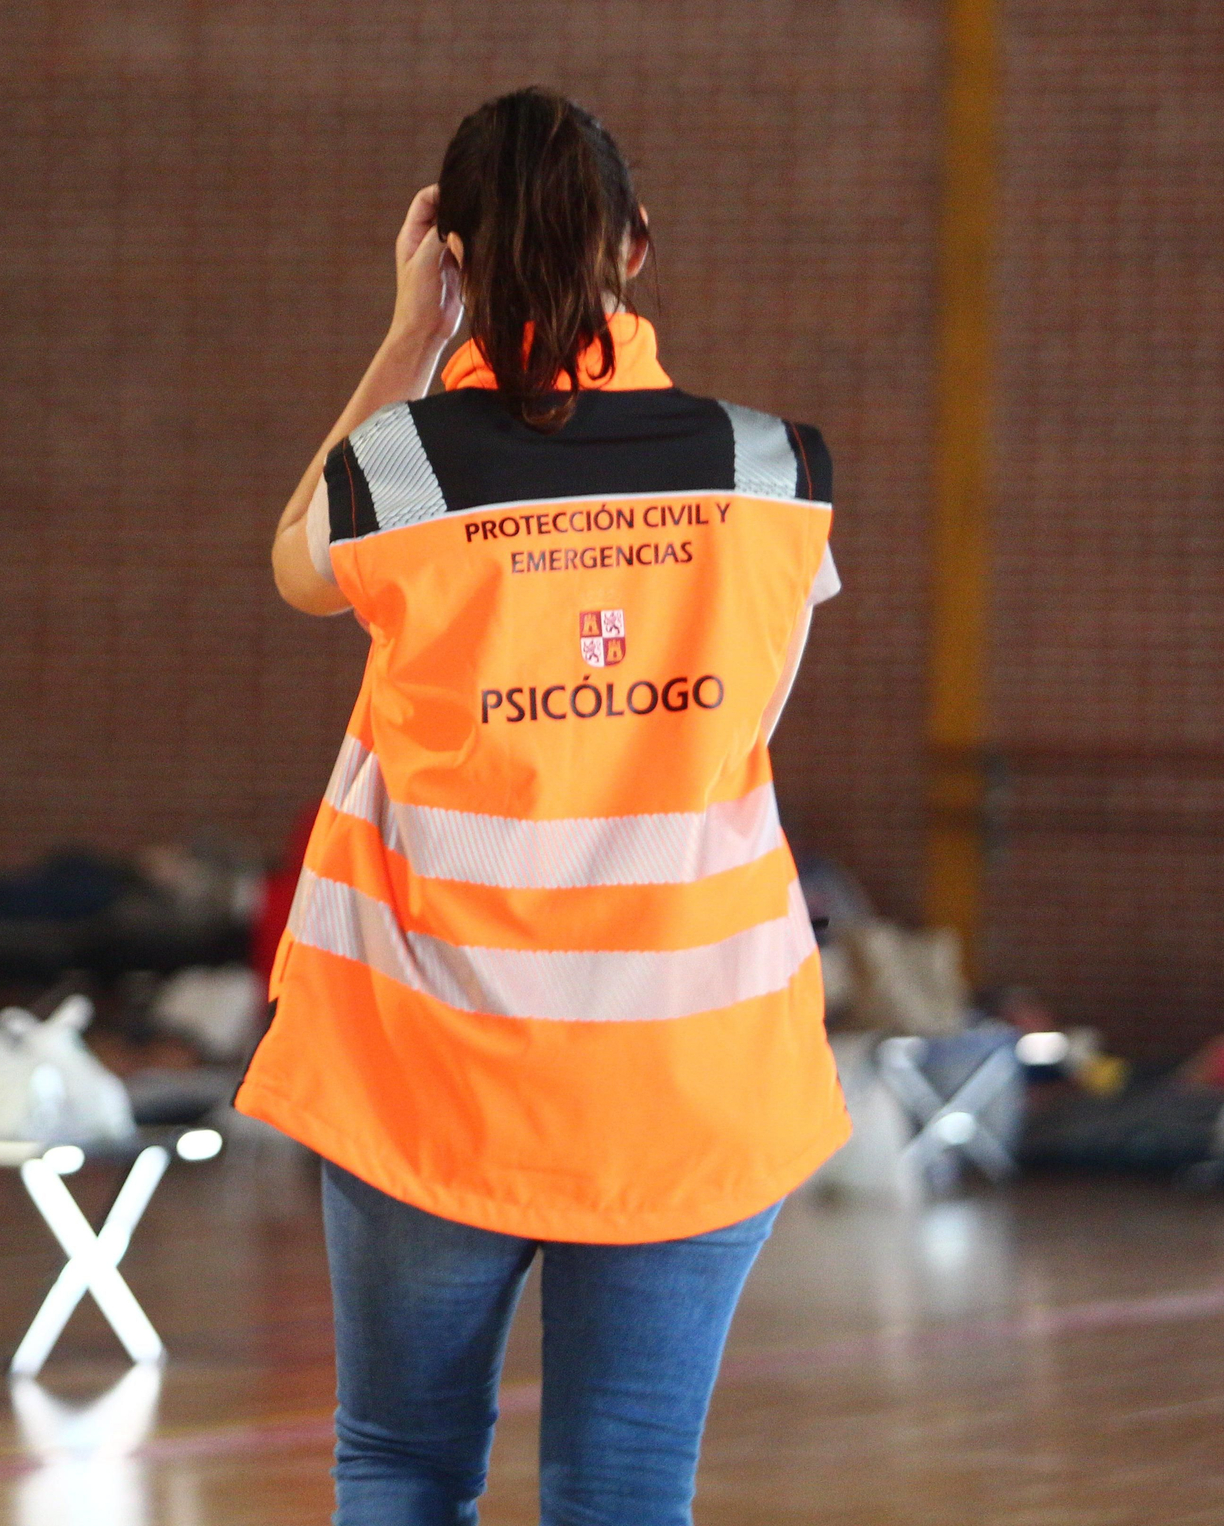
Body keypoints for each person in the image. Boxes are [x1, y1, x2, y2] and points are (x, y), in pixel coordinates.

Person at [237, 88, 849, 1526]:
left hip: (430, 1055)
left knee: (399, 1462)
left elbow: (292, 563)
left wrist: (407, 337)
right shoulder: (775, 471)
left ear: (448, 254)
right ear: (635, 247)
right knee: (627, 1490)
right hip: (689, 1072)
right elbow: (741, 721)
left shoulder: (400, 473)